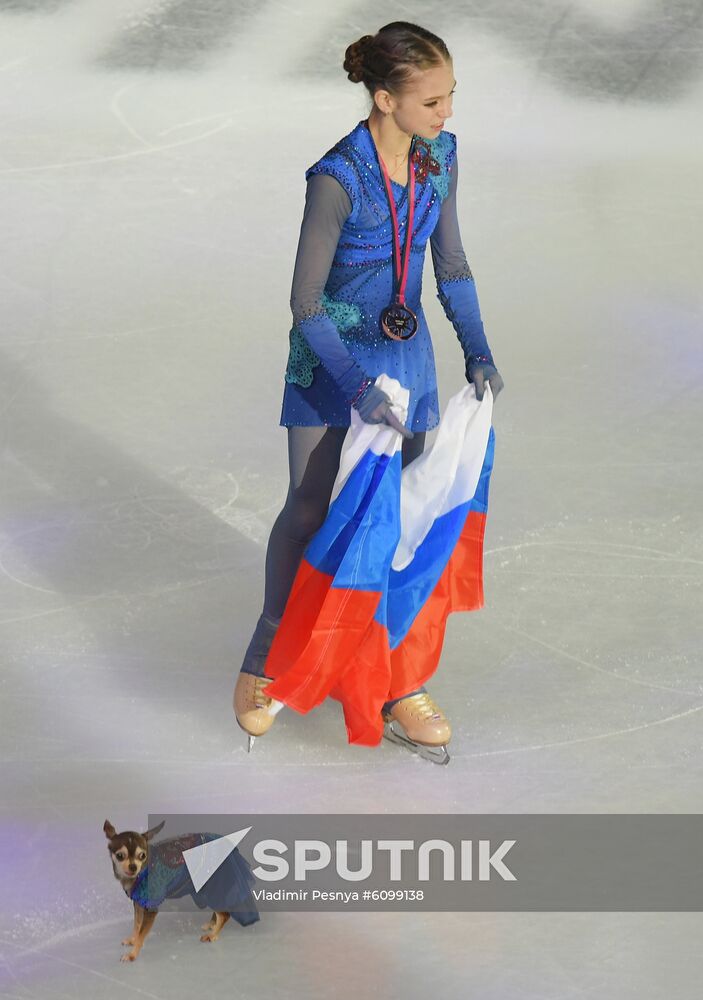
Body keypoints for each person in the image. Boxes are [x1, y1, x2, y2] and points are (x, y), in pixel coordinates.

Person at [233, 20, 504, 758]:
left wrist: (477, 348)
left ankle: (394, 681)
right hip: (330, 366)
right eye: (432, 101)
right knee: (312, 508)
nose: (446, 114)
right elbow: (306, 304)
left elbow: (449, 265)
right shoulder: (336, 177)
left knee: (401, 519)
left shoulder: (440, 158)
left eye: (451, 97)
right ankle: (267, 654)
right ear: (385, 99)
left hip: (406, 361)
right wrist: (355, 388)